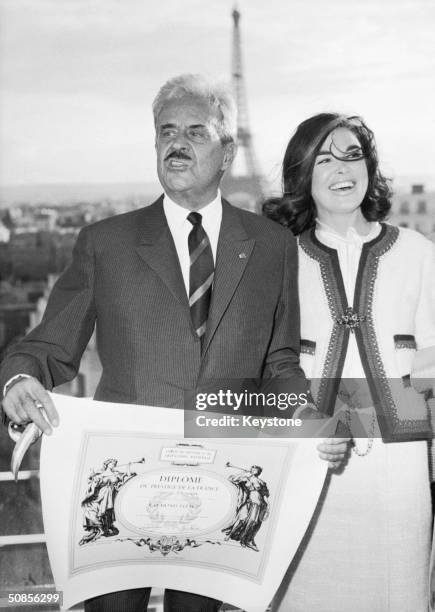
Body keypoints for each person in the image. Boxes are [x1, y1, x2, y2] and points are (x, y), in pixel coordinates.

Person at [0, 74, 344, 612]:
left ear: (228, 151)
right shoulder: (105, 244)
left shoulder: (272, 246)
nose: (176, 144)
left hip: (219, 479)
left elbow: (279, 363)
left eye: (195, 132)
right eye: (166, 132)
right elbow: (49, 347)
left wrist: (303, 415)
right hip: (120, 483)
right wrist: (20, 378)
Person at [264, 113, 435, 612]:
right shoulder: (279, 259)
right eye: (324, 159)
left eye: (352, 154)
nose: (341, 169)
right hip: (309, 469)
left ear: (369, 166)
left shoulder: (418, 252)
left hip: (398, 474)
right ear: (302, 175)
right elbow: (263, 367)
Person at [222, 465, 269, 551]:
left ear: (259, 472)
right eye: (253, 469)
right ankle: (230, 535)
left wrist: (268, 506)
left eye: (256, 470)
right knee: (241, 519)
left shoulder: (262, 482)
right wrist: (243, 473)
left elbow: (265, 495)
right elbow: (231, 479)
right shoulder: (246, 478)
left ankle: (243, 540)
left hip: (258, 504)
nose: (254, 470)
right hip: (250, 502)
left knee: (252, 522)